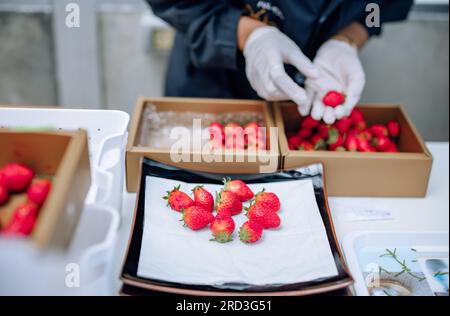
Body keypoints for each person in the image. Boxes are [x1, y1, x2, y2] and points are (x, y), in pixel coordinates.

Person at [145, 0, 413, 124]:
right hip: (214, 85)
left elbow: (377, 11)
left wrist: (348, 40)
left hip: (313, 102)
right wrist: (250, 35)